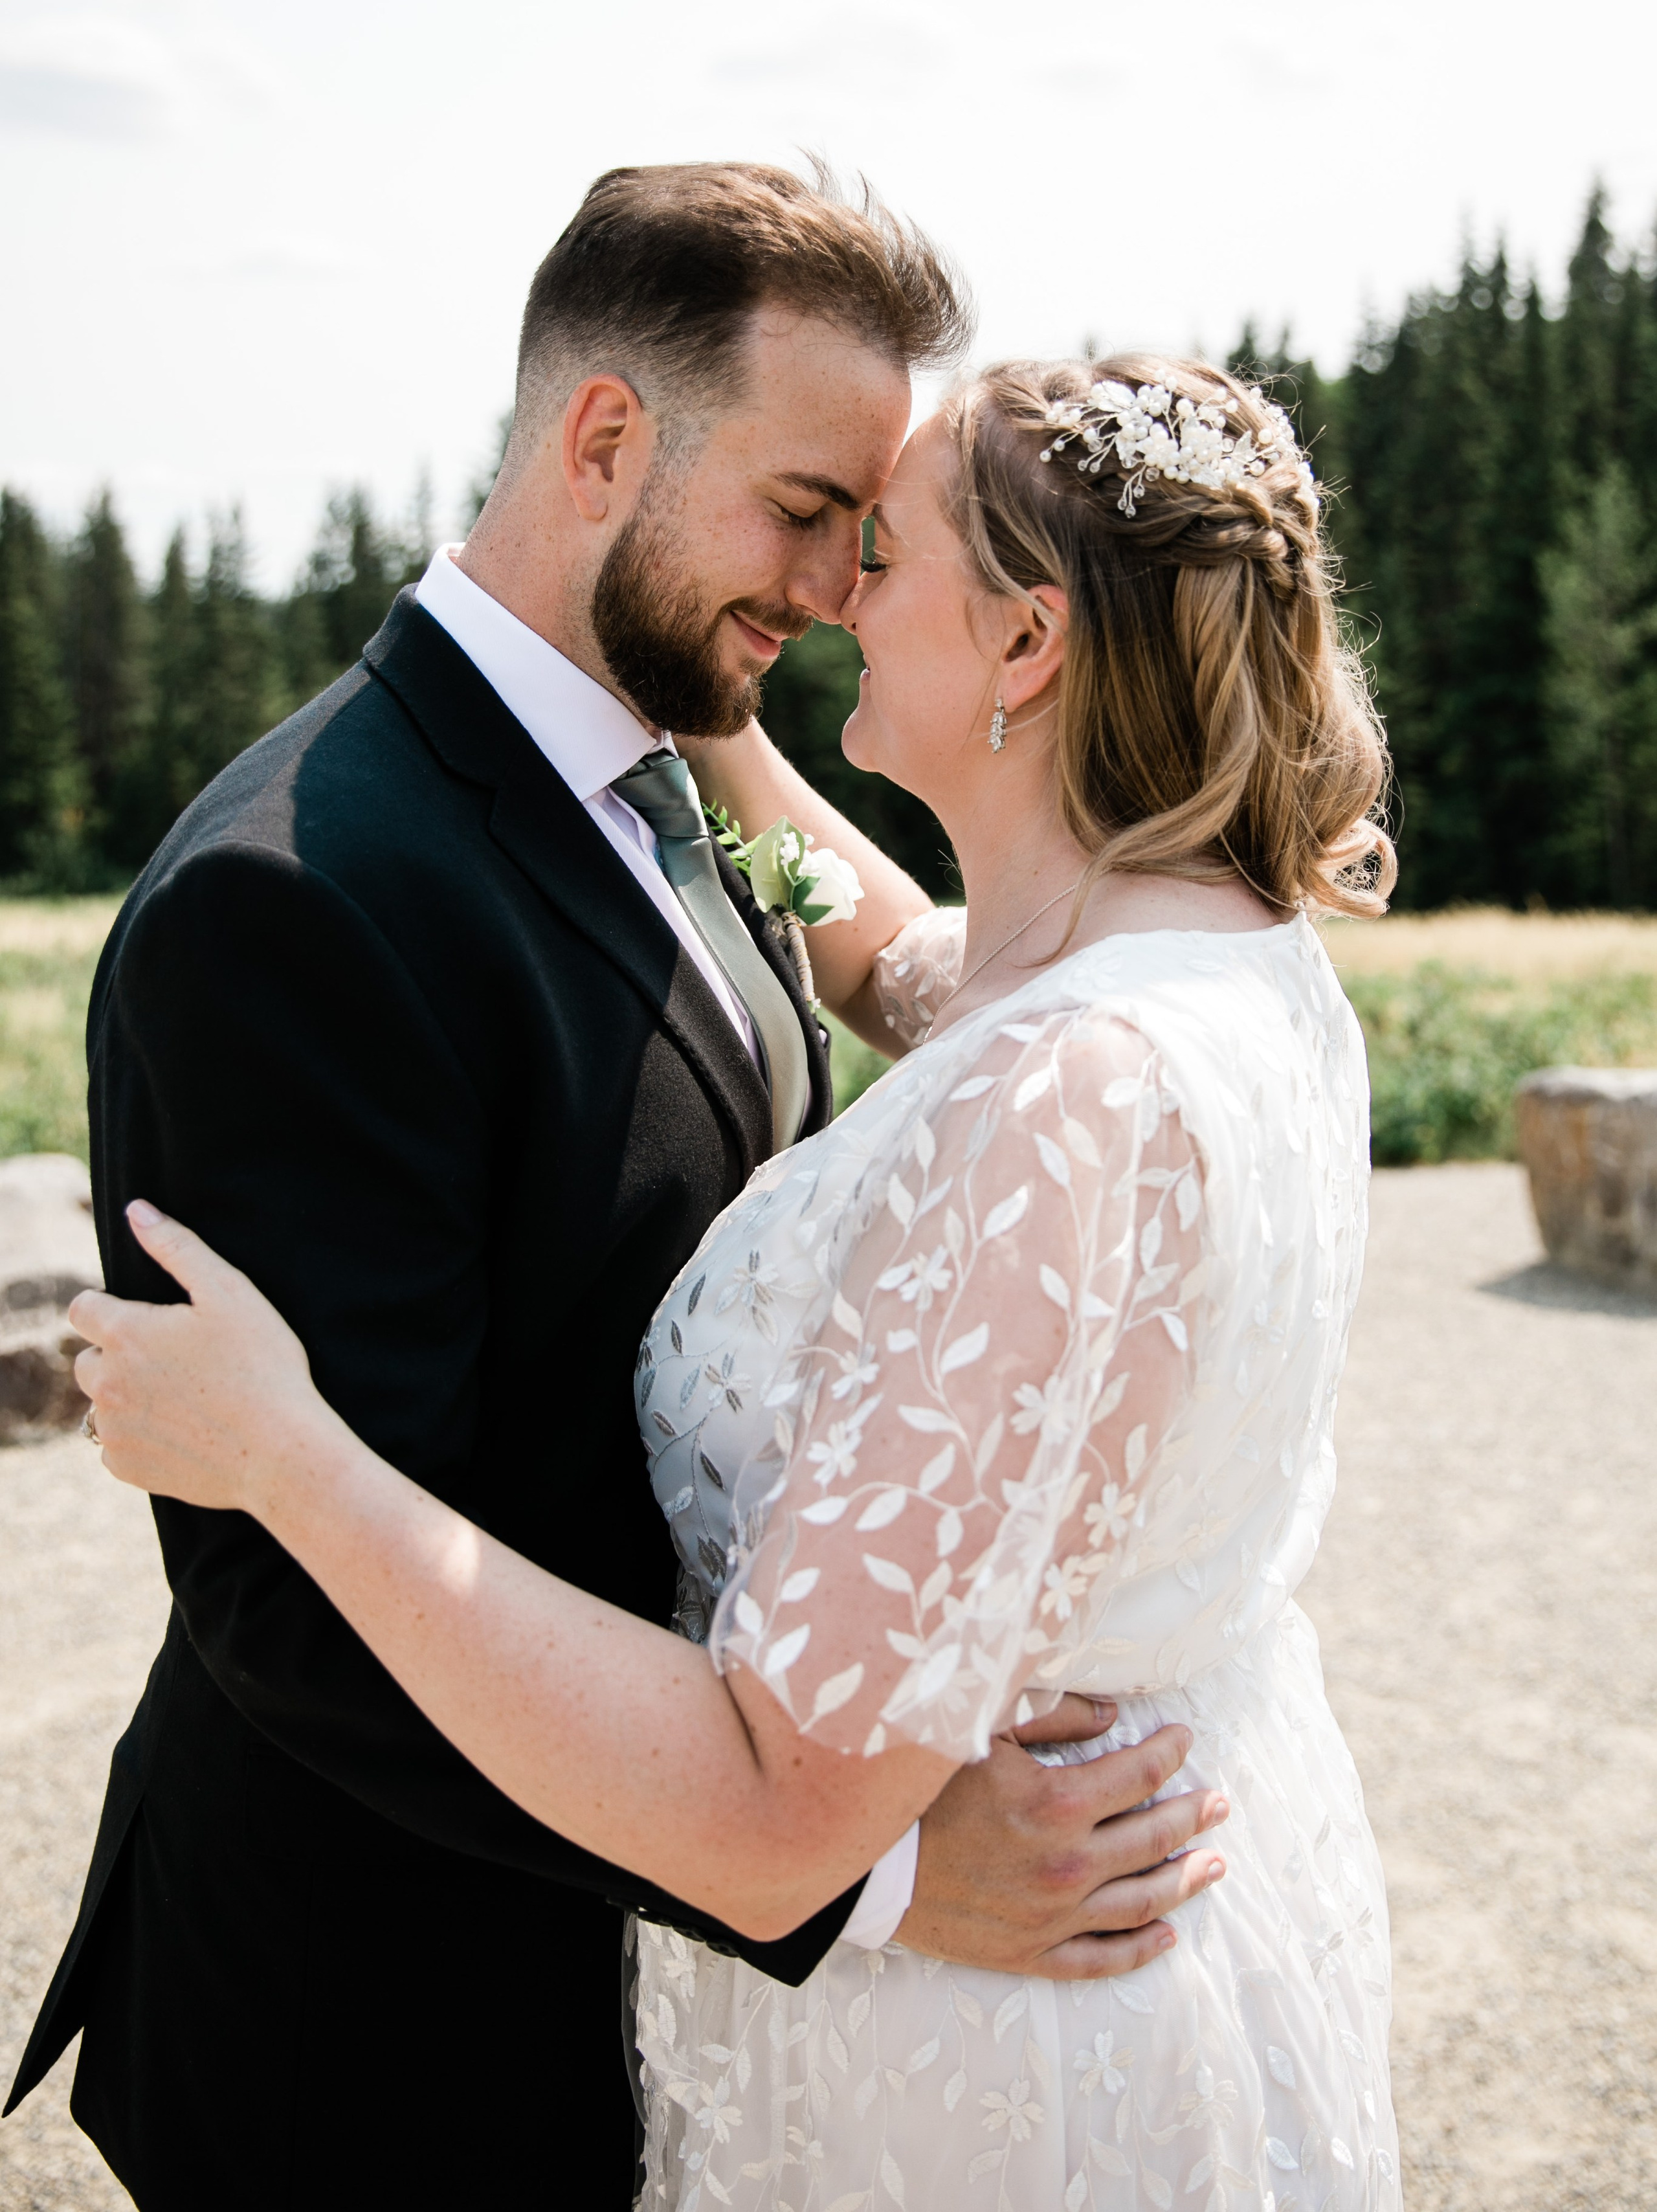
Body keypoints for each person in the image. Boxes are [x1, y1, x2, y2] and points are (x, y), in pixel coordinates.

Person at [4, 171, 1227, 2212]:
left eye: (869, 532)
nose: (844, 583)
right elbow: (282, 1605)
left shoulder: (660, 762)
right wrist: (868, 1876)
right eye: (806, 508)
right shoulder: (291, 903)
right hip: (380, 2025)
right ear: (601, 441)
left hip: (621, 1964)